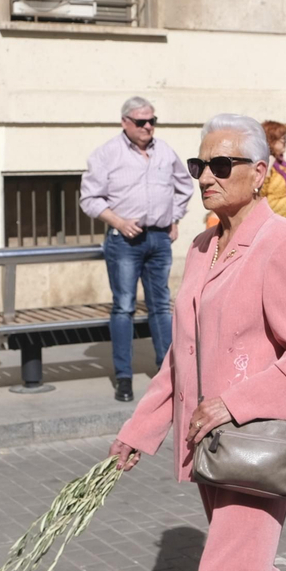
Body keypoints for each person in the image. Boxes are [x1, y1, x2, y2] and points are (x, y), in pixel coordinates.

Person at [109, 114, 286, 571]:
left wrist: (235, 402)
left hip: (253, 443)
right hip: (211, 446)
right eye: (198, 165)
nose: (206, 175)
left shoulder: (282, 244)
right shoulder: (205, 246)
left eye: (221, 165)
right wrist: (142, 429)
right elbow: (181, 357)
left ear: (259, 174)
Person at [80, 96, 195, 402]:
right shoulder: (107, 154)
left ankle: (169, 372)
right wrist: (117, 221)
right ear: (125, 123)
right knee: (124, 307)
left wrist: (175, 218)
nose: (148, 127)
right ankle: (124, 377)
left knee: (161, 305)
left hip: (159, 239)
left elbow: (185, 186)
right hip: (124, 242)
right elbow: (89, 199)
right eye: (141, 121)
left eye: (152, 121)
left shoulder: (164, 150)